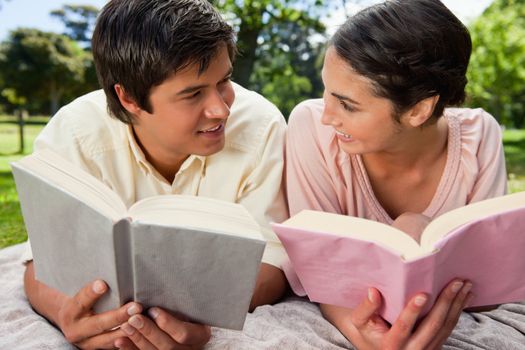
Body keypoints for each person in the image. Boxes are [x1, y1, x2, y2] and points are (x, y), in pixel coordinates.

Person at [22, 0, 289, 349]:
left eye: (224, 81)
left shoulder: (262, 126)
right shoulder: (74, 134)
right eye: (193, 94)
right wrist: (68, 316)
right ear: (129, 97)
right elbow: (40, 263)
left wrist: (198, 316)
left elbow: (272, 263)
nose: (221, 109)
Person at [285, 0, 507, 348]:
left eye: (347, 104)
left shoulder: (479, 137)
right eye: (326, 90)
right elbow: (316, 269)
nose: (328, 114)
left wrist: (417, 229)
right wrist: (362, 334)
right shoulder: (311, 126)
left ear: (419, 109)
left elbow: (488, 287)